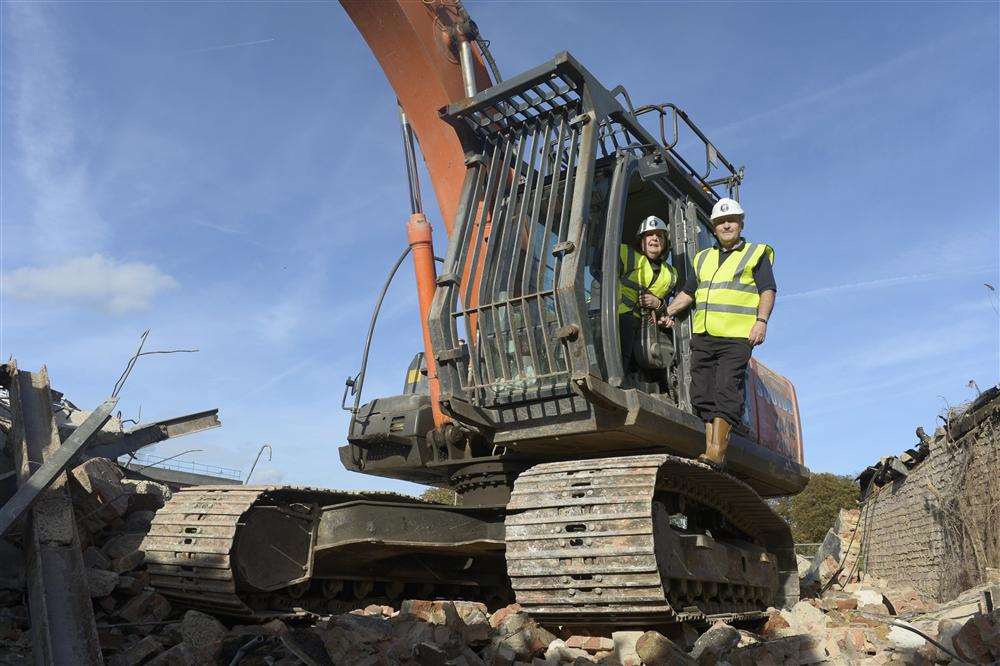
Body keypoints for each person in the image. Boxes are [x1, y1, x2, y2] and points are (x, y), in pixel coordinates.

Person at [660, 198, 775, 468]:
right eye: (721, 221)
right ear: (713, 227)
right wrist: (669, 312)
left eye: (731, 220)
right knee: (702, 390)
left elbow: (767, 290)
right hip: (705, 335)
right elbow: (689, 293)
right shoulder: (703, 258)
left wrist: (762, 321)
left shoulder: (756, 254)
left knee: (726, 387)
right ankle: (710, 447)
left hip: (737, 336)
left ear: (740, 224)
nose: (726, 225)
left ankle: (717, 452)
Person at [619, 216, 677, 386]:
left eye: (659, 235)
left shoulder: (671, 274)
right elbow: (598, 270)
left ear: (665, 242)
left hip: (648, 326)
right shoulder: (625, 253)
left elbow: (670, 305)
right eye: (649, 235)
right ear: (641, 240)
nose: (654, 239)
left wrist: (658, 304)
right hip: (619, 316)